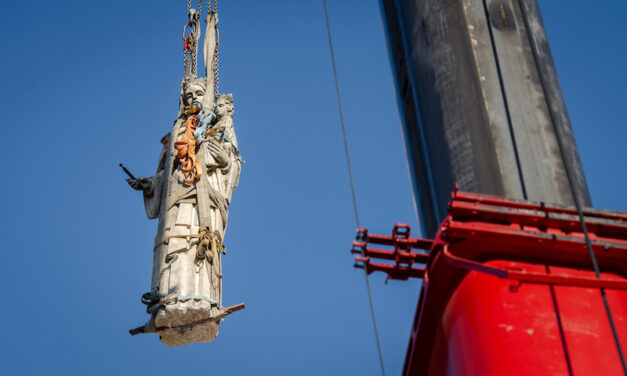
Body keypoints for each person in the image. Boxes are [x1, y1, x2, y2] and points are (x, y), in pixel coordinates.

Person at [126, 78, 241, 346]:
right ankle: (171, 298)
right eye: (187, 95)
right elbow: (165, 174)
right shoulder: (177, 132)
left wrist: (223, 158)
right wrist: (150, 184)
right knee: (175, 247)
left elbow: (231, 164)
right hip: (176, 200)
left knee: (198, 245)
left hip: (204, 199)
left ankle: (199, 298)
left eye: (198, 93)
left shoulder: (217, 129)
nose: (192, 99)